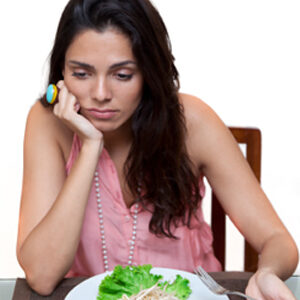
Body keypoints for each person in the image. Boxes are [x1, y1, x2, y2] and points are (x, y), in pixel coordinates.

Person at [16, 0, 298, 298]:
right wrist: (89, 146)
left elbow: (277, 240)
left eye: (122, 75)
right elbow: (41, 276)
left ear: (150, 73)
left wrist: (266, 273)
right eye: (81, 74)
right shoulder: (47, 123)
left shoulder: (194, 121)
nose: (100, 94)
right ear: (61, 72)